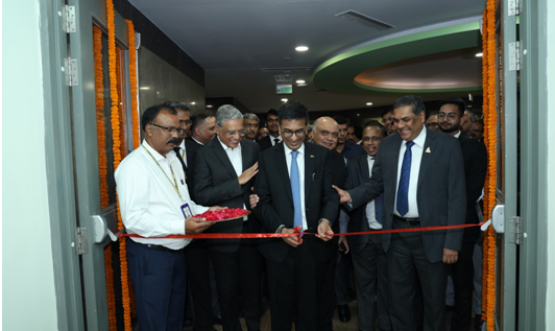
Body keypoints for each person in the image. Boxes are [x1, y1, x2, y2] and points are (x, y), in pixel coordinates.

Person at [333, 95, 466, 331]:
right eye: (396, 121)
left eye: (407, 119)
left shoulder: (446, 145)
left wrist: (452, 242)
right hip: (396, 235)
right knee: (397, 301)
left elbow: (457, 196)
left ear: (422, 117)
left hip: (433, 237)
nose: (401, 125)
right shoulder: (390, 144)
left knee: (434, 303)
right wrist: (351, 196)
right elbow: (376, 184)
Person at [115, 104, 223, 331]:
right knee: (155, 322)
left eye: (178, 129)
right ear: (149, 129)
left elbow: (183, 204)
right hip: (151, 257)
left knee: (174, 319)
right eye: (168, 129)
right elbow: (134, 219)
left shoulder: (172, 158)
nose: (175, 135)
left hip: (177, 253)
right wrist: (182, 226)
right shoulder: (135, 166)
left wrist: (206, 211)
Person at [253, 100, 338, 331]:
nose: (293, 137)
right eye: (288, 131)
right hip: (279, 248)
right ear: (279, 128)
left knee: (310, 312)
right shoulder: (266, 157)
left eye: (299, 131)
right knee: (280, 313)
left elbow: (330, 196)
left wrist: (325, 220)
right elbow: (261, 203)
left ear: (307, 128)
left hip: (312, 244)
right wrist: (280, 229)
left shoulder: (320, 155)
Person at [194, 105, 261, 331]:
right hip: (223, 235)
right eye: (231, 132)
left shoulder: (252, 148)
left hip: (251, 231)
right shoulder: (204, 154)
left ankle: (254, 326)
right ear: (218, 129)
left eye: (240, 131)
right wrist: (237, 183)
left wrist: (255, 195)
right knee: (227, 292)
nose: (236, 137)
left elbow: (260, 183)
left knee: (253, 290)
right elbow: (201, 194)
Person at [438, 97, 487, 331]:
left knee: (462, 284)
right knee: (431, 285)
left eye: (451, 115)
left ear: (461, 119)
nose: (445, 119)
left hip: (462, 228)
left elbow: (473, 189)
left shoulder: (475, 148)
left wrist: (443, 210)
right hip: (429, 228)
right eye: (441, 115)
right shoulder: (428, 145)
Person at [345, 120, 392, 331]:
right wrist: (343, 233)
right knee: (364, 290)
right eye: (366, 138)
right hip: (362, 237)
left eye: (375, 138)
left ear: (384, 140)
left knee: (387, 289)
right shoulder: (353, 164)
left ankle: (385, 326)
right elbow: (346, 201)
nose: (370, 143)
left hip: (389, 238)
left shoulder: (395, 162)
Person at [311, 117, 347, 331]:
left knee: (326, 286)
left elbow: (336, 199)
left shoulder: (338, 160)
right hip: (301, 235)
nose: (330, 139)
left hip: (328, 233)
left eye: (334, 135)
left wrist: (340, 231)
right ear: (311, 133)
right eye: (325, 133)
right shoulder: (300, 156)